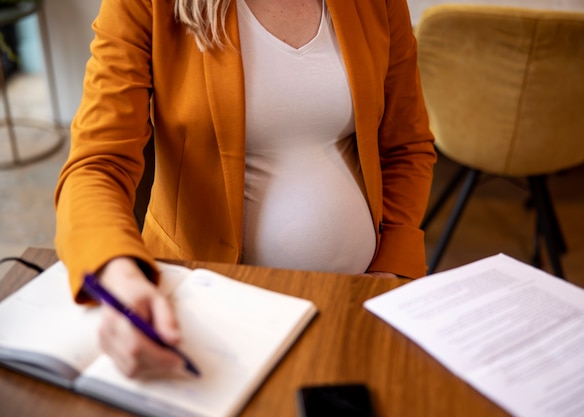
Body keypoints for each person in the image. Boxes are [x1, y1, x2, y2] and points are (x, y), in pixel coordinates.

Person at [55, 0, 436, 378]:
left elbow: (407, 145)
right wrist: (116, 275)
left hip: (355, 297)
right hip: (212, 305)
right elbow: (96, 165)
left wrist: (392, 265)